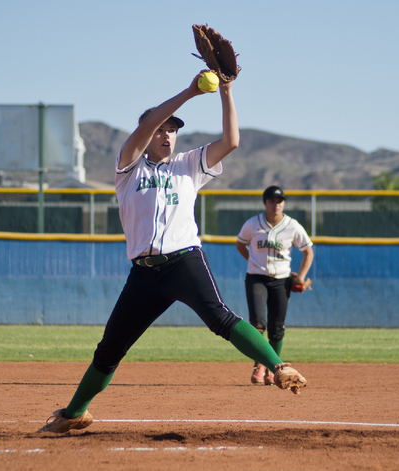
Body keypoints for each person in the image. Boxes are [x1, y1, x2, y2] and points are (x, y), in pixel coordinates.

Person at [38, 72, 306, 434]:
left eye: (172, 129)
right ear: (147, 135)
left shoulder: (188, 165)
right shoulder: (128, 168)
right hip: (144, 274)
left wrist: (225, 91)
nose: (167, 134)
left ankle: (278, 367)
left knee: (220, 317)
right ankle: (74, 413)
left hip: (184, 260)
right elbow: (147, 124)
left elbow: (232, 140)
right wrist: (191, 91)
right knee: (110, 348)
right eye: (161, 129)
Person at [236, 186, 314, 385]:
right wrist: (252, 260)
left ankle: (273, 370)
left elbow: (308, 252)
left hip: (281, 280)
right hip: (256, 278)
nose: (276, 204)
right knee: (258, 323)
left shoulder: (292, 226)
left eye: (280, 201)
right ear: (265, 203)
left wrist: (301, 276)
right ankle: (260, 366)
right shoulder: (253, 224)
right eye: (272, 200)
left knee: (277, 328)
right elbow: (240, 244)